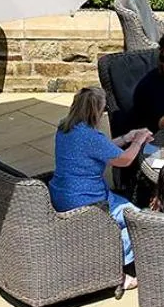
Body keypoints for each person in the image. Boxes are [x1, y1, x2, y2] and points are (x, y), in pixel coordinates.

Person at [52, 86, 149, 284]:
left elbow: (101, 149)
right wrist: (138, 142)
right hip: (89, 203)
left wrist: (127, 137)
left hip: (61, 196)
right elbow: (124, 160)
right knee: (139, 221)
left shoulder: (64, 128)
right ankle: (115, 267)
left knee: (127, 208)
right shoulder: (91, 137)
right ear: (95, 111)